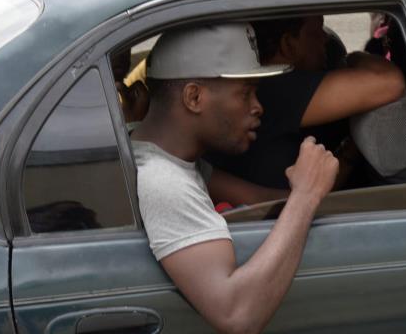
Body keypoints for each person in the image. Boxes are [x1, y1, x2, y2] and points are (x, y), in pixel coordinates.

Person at [130, 23, 339, 334]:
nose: (258, 106)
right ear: (194, 97)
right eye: (246, 93)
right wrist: (306, 196)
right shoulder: (163, 181)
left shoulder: (164, 155)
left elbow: (257, 198)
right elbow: (237, 314)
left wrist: (319, 183)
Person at [209, 15, 405, 190]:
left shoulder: (265, 90)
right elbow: (389, 82)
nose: (326, 37)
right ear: (288, 44)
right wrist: (354, 56)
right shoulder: (279, 87)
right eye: (317, 30)